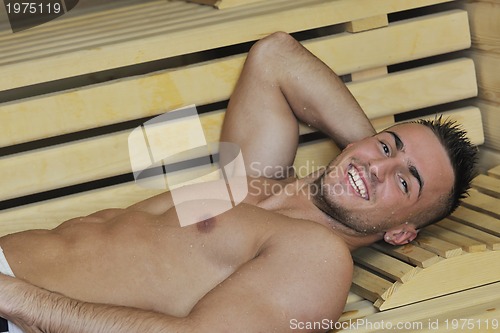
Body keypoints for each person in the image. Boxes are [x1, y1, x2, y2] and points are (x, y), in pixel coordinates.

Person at [0, 32, 477, 333]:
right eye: (388, 146)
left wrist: (18, 300)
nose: (381, 166)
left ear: (402, 233)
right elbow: (275, 57)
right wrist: (366, 161)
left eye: (407, 181)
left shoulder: (317, 258)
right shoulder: (253, 181)